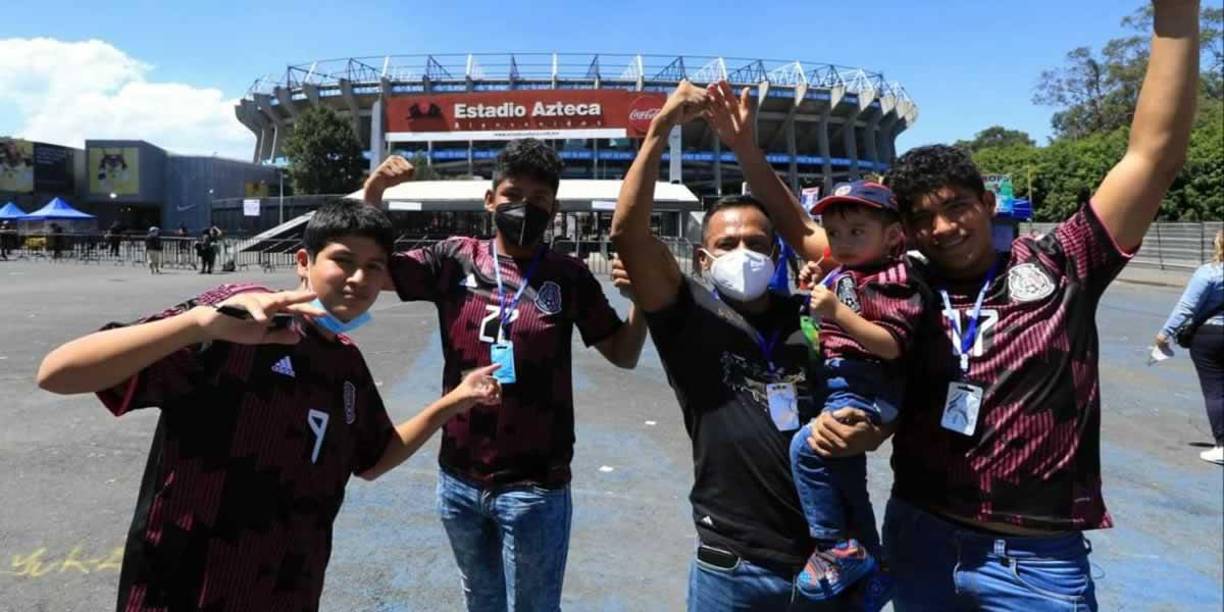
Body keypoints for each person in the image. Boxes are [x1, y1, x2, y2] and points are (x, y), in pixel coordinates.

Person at [36, 201, 503, 610]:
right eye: (342, 260)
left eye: (375, 267)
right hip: (180, 590)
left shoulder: (344, 364)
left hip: (288, 592)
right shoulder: (234, 320)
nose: (359, 279)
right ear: (304, 261)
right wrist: (198, 324)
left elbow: (374, 457)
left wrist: (454, 401)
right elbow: (58, 372)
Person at [362, 139, 648, 612]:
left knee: (535, 606)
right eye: (513, 194)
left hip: (536, 484)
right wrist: (374, 192)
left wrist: (640, 302)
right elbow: (380, 271)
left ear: (554, 209)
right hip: (458, 476)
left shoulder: (569, 276)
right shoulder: (455, 259)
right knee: (481, 599)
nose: (524, 207)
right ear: (490, 199)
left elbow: (623, 353)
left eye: (539, 200)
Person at [612, 81, 846, 611]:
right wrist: (659, 129)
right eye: (727, 244)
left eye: (758, 244)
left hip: (825, 561)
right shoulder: (684, 313)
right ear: (701, 258)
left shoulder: (812, 310)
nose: (744, 253)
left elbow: (823, 238)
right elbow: (629, 234)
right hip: (732, 564)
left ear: (777, 253)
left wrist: (745, 147)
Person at [784, 181, 927, 605]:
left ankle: (834, 546)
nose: (842, 243)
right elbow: (830, 294)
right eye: (834, 233)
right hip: (840, 379)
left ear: (893, 236)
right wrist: (816, 279)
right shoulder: (851, 272)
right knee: (847, 478)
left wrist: (837, 312)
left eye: (857, 232)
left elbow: (892, 344)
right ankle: (873, 560)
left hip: (865, 383)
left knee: (806, 450)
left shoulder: (893, 280)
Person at [1156, 229, 1224, 465]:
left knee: (1215, 390)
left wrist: (1165, 333)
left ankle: (1222, 446)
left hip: (1211, 335)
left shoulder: (1209, 273)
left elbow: (1187, 307)